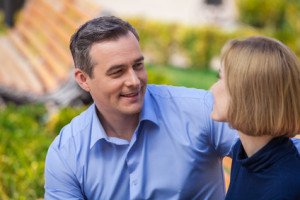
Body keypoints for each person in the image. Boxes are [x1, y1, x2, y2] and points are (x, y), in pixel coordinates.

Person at [44, 16, 300, 199]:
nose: (134, 81)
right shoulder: (67, 153)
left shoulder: (200, 111)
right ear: (83, 79)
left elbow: (272, 148)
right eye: (117, 72)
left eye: (138, 65)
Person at [210, 36, 300, 200]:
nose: (212, 89)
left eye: (220, 78)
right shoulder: (244, 151)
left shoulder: (286, 189)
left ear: (248, 95)